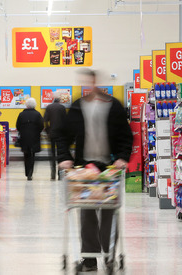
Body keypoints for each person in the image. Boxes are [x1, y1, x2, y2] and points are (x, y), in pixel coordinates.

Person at [57, 69, 133, 272]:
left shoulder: (114, 105)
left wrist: (123, 158)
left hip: (109, 168)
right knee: (87, 211)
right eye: (84, 83)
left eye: (90, 82)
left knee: (110, 211)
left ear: (97, 82)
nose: (87, 86)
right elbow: (63, 135)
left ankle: (109, 256)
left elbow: (126, 135)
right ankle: (89, 258)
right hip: (85, 168)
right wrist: (65, 158)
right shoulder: (77, 106)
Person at [16, 98, 44, 180]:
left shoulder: (21, 114)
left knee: (26, 155)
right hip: (34, 137)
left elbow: (18, 126)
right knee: (32, 155)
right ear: (34, 105)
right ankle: (30, 173)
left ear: (26, 105)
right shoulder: (38, 114)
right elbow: (41, 126)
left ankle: (27, 172)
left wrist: (23, 131)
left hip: (24, 138)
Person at [44, 92, 67, 180]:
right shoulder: (62, 108)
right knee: (60, 154)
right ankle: (60, 174)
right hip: (61, 134)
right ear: (59, 100)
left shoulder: (49, 107)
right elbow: (65, 121)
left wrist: (47, 130)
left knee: (52, 154)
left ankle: (52, 174)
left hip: (52, 134)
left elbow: (45, 120)